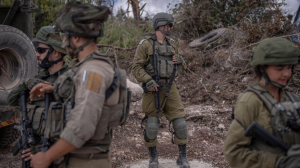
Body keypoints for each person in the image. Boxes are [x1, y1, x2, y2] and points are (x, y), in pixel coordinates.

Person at [29, 2, 129, 168]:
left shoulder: (91, 71)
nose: (63, 42)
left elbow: (82, 127)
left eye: (64, 36)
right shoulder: (93, 66)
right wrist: (54, 89)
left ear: (75, 37)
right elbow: (90, 96)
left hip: (84, 162)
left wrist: (47, 157)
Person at [224, 37, 300, 168]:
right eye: (279, 68)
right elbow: (234, 153)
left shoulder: (292, 99)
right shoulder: (250, 101)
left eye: (289, 68)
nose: (287, 74)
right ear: (262, 68)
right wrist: (277, 162)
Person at [131, 12, 189, 168]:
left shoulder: (172, 44)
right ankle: (153, 157)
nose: (171, 28)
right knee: (151, 124)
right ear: (161, 25)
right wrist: (148, 80)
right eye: (169, 25)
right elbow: (136, 67)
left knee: (180, 122)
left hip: (170, 87)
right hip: (153, 88)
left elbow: (182, 68)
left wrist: (181, 62)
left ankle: (182, 157)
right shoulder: (146, 45)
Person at [7, 25, 69, 162]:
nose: (37, 54)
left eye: (41, 50)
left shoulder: (71, 81)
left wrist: (41, 152)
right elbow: (11, 100)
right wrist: (28, 82)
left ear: (56, 53)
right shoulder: (39, 79)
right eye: (36, 50)